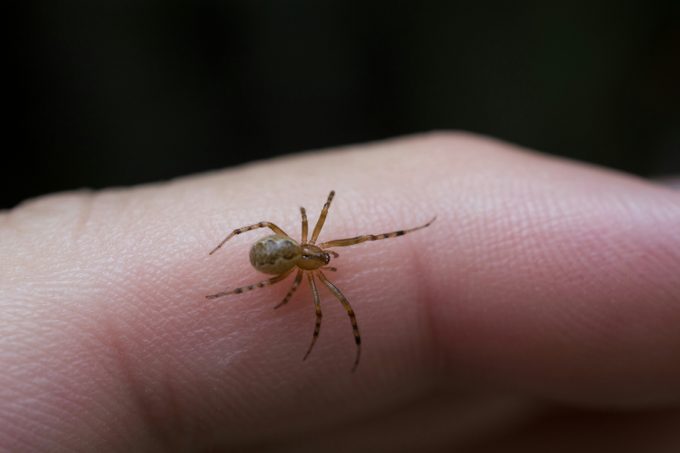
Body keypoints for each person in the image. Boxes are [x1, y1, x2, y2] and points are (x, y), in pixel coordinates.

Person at [1, 132, 679, 451]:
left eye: (322, 251)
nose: (328, 255)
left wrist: (319, 301)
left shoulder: (313, 264)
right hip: (269, 256)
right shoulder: (298, 260)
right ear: (313, 244)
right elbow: (281, 250)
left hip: (275, 256)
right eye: (322, 250)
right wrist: (245, 281)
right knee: (329, 302)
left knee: (341, 306)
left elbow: (333, 293)